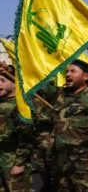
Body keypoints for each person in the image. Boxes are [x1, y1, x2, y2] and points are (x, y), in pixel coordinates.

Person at [43, 60, 88, 191]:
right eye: (67, 71)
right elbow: (36, 83)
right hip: (63, 164)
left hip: (86, 167)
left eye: (73, 71)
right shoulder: (61, 95)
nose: (68, 74)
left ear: (86, 76)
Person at [0, 64, 33, 192]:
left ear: (15, 84)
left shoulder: (20, 106)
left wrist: (19, 163)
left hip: (13, 160)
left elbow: (26, 137)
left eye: (3, 81)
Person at [31, 92, 56, 192]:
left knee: (51, 162)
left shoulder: (44, 99)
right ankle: (46, 183)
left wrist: (53, 135)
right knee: (40, 164)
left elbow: (55, 118)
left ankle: (55, 185)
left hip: (46, 136)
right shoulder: (24, 99)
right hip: (33, 136)